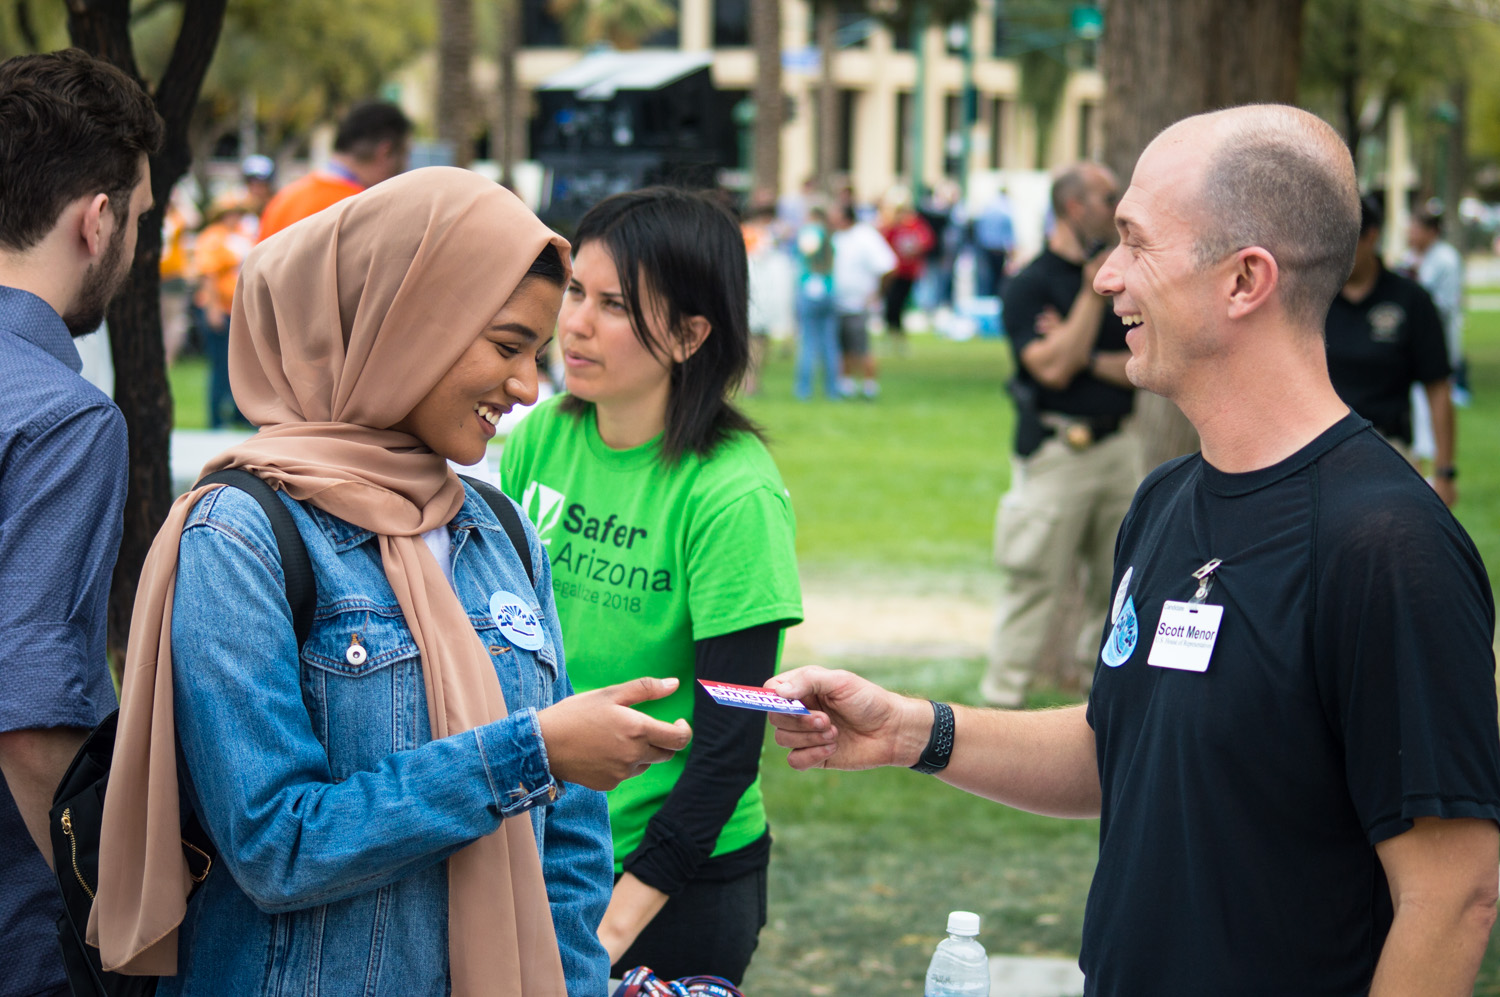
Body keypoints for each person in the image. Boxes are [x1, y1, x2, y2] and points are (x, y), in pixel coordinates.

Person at [768, 105, 1500, 996]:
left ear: (1244, 281)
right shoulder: (1163, 502)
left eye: (1135, 242)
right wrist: (911, 730)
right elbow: (1125, 744)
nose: (1108, 275)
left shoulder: (1388, 545)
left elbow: (1453, 894)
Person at [91, 168, 693, 995]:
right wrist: (528, 752)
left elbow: (571, 842)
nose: (527, 388)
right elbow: (277, 843)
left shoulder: (501, 531)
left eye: (537, 354)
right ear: (407, 323)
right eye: (509, 346)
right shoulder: (241, 533)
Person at [501, 187, 803, 985]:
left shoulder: (733, 494)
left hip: (678, 881)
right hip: (545, 847)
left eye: (616, 305)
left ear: (691, 332)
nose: (575, 323)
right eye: (575, 292)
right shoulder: (539, 439)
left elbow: (731, 746)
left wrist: (609, 928)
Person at [0, 48, 160, 997]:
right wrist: (116, 931)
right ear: (95, 221)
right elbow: (29, 721)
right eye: (139, 219)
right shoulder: (65, 417)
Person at [980, 162, 1141, 708]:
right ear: (1074, 207)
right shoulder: (1030, 284)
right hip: (1055, 452)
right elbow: (1048, 371)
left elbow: (1142, 365)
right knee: (1033, 584)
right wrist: (1091, 303)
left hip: (1120, 449)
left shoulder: (1129, 281)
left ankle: (1098, 709)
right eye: (1105, 197)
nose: (1116, 206)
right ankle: (1001, 703)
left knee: (1117, 586)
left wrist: (1082, 353)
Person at [1325, 195, 1455, 506]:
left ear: (1372, 236)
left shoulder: (1410, 300)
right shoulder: (1316, 301)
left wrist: (1445, 472)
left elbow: (1438, 389)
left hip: (1389, 449)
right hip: (1323, 452)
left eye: (1347, 240)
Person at [256, 100, 411, 242]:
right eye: (404, 155)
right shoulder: (365, 210)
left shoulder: (284, 200)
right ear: (386, 152)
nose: (404, 167)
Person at [191, 192, 252, 427]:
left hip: (238, 307)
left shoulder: (240, 235)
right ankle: (215, 418)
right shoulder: (212, 238)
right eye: (230, 213)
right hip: (220, 307)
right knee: (221, 365)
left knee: (241, 365)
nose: (234, 216)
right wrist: (213, 308)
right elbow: (209, 275)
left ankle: (239, 414)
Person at [829, 201, 896, 400]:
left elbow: (888, 266)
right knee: (842, 345)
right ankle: (845, 384)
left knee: (861, 346)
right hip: (837, 301)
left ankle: (869, 385)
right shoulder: (836, 237)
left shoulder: (865, 236)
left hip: (859, 303)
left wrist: (877, 293)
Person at [1406, 204, 1467, 404]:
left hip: (1438, 336)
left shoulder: (1446, 259)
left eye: (1415, 229)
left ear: (1431, 231)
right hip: (1411, 341)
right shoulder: (1411, 257)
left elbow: (1446, 305)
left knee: (1435, 395)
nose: (1410, 234)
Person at [793, 205, 841, 400]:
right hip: (828, 290)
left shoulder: (810, 232)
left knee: (808, 342)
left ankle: (804, 389)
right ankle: (832, 389)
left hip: (810, 289)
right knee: (830, 343)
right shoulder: (830, 235)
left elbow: (807, 252)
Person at [878, 188, 935, 342]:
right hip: (895, 270)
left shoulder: (916, 225)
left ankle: (896, 332)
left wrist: (916, 248)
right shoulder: (893, 226)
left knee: (899, 302)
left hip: (909, 271)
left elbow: (926, 241)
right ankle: (893, 331)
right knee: (892, 302)